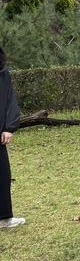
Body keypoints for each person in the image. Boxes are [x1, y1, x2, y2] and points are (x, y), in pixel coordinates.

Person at [0, 46, 23, 229]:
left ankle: (4, 217)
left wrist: (9, 127)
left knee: (2, 175)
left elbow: (9, 99)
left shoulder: (2, 71)